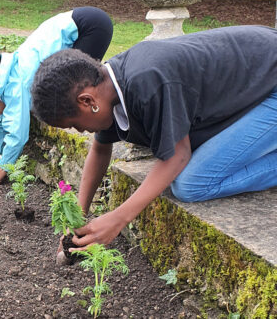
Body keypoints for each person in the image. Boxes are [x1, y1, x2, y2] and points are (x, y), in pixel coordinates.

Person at [30, 25, 277, 253]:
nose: (80, 131)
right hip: (258, 84)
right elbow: (100, 150)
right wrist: (79, 216)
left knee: (192, 183)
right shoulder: (108, 89)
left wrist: (118, 219)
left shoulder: (146, 81)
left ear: (87, 101)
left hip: (271, 86)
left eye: (74, 124)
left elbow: (178, 155)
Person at [0, 7, 113, 189]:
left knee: (79, 88)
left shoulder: (15, 87)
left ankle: (111, 111)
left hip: (89, 28)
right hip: (77, 20)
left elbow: (17, 136)